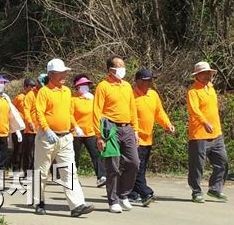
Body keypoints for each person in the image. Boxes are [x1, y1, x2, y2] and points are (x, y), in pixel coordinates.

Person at [33, 58, 94, 217]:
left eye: (65, 72)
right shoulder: (44, 92)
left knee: (70, 171)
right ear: (52, 74)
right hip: (47, 137)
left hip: (65, 137)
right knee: (42, 171)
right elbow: (39, 113)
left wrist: (75, 126)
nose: (64, 75)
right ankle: (39, 202)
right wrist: (46, 130)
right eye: (61, 73)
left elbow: (68, 113)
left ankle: (77, 205)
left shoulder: (67, 91)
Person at [93, 55, 139, 213]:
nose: (122, 69)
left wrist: (136, 130)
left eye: (123, 66)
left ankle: (123, 194)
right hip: (110, 128)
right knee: (113, 165)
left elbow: (132, 108)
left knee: (134, 162)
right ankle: (113, 200)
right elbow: (96, 111)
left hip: (127, 128)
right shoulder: (103, 86)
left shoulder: (127, 86)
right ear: (111, 69)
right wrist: (98, 136)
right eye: (119, 66)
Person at [129, 69, 175, 206]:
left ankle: (131, 192)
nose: (149, 83)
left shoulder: (153, 95)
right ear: (138, 81)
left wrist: (167, 124)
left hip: (147, 138)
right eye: (146, 80)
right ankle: (145, 192)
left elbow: (159, 112)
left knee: (140, 167)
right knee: (135, 166)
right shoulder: (130, 95)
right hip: (134, 137)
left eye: (150, 80)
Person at [186, 61, 229, 203]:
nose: (208, 76)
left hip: (216, 133)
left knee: (222, 161)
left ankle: (215, 189)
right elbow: (194, 111)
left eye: (209, 73)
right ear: (197, 75)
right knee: (197, 165)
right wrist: (205, 122)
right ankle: (196, 191)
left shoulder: (211, 88)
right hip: (199, 135)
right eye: (204, 74)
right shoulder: (193, 91)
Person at [71, 74, 106, 187]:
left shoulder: (92, 99)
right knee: (75, 156)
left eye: (86, 85)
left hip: (90, 131)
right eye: (82, 85)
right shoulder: (73, 99)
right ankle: (73, 178)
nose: (85, 87)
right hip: (76, 133)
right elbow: (69, 115)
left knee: (96, 154)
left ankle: (101, 176)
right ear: (77, 87)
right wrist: (76, 126)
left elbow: (98, 113)